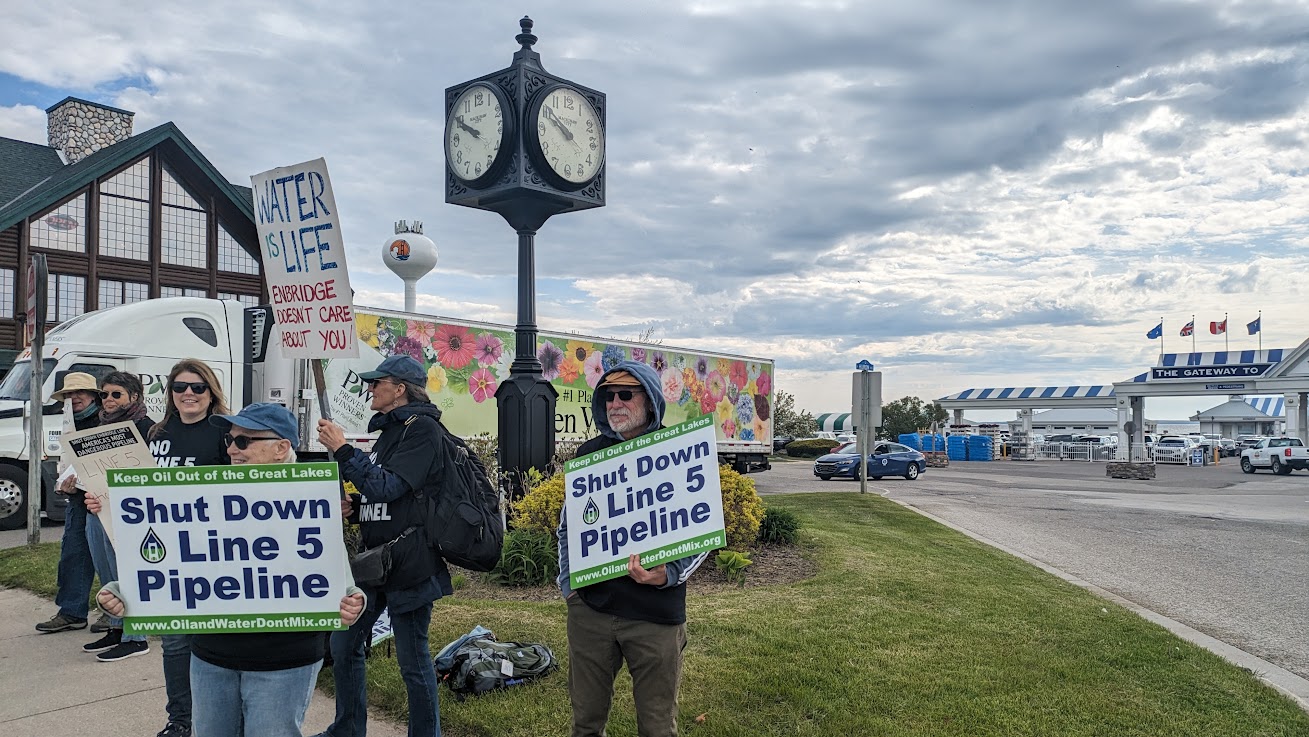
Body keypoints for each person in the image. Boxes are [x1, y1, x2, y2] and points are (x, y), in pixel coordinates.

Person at [97, 402, 367, 737]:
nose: (231, 449)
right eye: (230, 439)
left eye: (243, 441)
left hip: (284, 659)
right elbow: (171, 558)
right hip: (213, 654)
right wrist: (123, 592)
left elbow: (340, 578)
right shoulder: (207, 497)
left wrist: (351, 600)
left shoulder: (311, 500)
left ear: (281, 448)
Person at [557, 361, 708, 737]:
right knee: (586, 723)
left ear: (651, 400)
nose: (615, 403)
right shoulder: (588, 455)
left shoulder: (679, 451)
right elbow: (567, 528)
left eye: (626, 394)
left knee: (657, 728)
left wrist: (670, 573)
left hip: (655, 615)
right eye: (608, 396)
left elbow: (702, 525)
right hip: (591, 609)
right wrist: (569, 587)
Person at [314, 354, 452, 737]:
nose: (370, 389)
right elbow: (389, 496)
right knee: (343, 646)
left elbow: (389, 486)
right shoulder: (391, 431)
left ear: (400, 389)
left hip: (410, 561)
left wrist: (343, 450)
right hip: (374, 563)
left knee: (412, 659)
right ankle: (348, 728)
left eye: (378, 383)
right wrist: (356, 507)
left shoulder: (423, 429)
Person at [146, 359, 231, 737]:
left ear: (211, 391)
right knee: (175, 643)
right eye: (180, 387)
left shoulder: (225, 433)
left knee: (211, 640)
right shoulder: (156, 432)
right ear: (170, 393)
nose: (188, 394)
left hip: (213, 551)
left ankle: (220, 719)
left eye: (197, 387)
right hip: (167, 552)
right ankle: (180, 720)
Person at [81, 371, 156, 661]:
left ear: (134, 397)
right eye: (104, 394)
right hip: (98, 507)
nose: (108, 400)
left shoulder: (147, 428)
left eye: (116, 394)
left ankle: (136, 636)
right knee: (106, 571)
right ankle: (115, 627)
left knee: (127, 573)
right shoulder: (100, 427)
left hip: (129, 513)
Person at [34, 372, 104, 634]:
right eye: (69, 394)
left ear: (93, 395)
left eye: (80, 393)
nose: (74, 398)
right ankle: (72, 612)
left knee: (109, 559)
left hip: (102, 500)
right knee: (73, 554)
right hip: (78, 499)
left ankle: (115, 614)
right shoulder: (69, 424)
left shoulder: (104, 421)